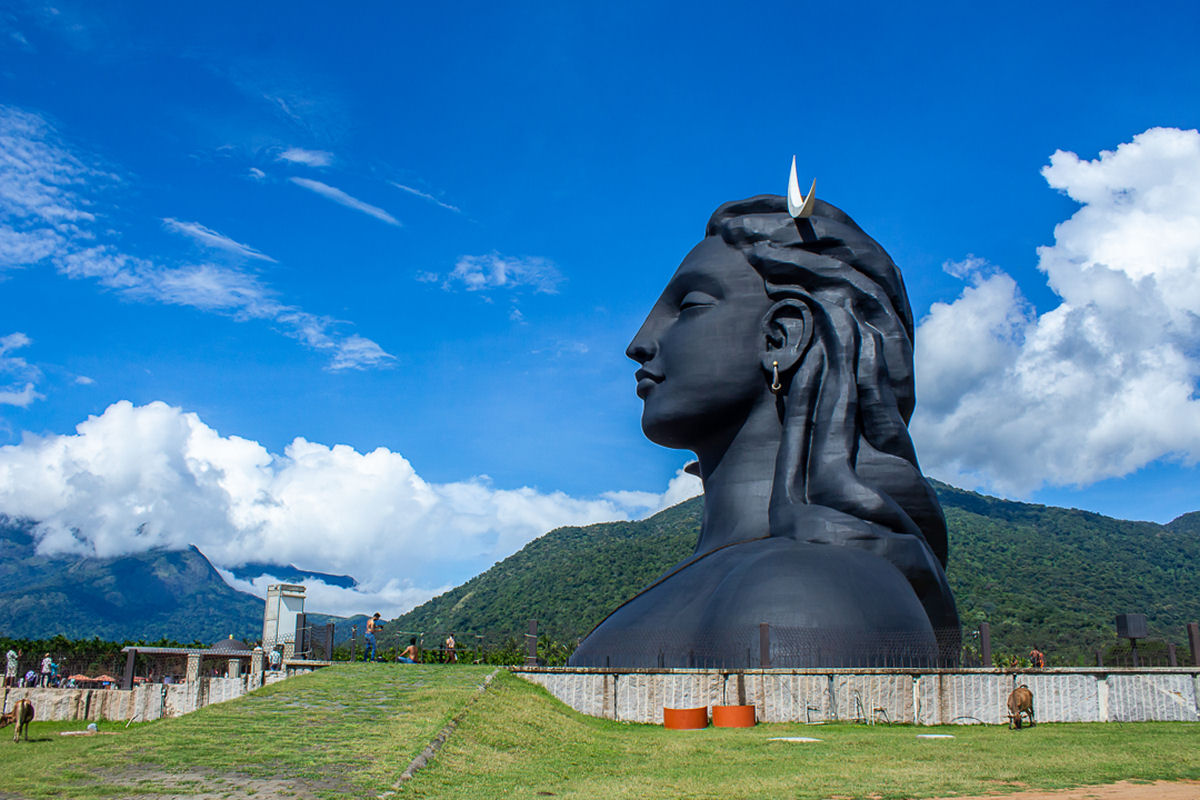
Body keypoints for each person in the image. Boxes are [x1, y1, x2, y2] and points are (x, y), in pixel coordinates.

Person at [571, 190, 958, 669]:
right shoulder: (742, 574)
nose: (639, 343)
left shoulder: (800, 586)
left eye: (689, 305)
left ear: (783, 336)